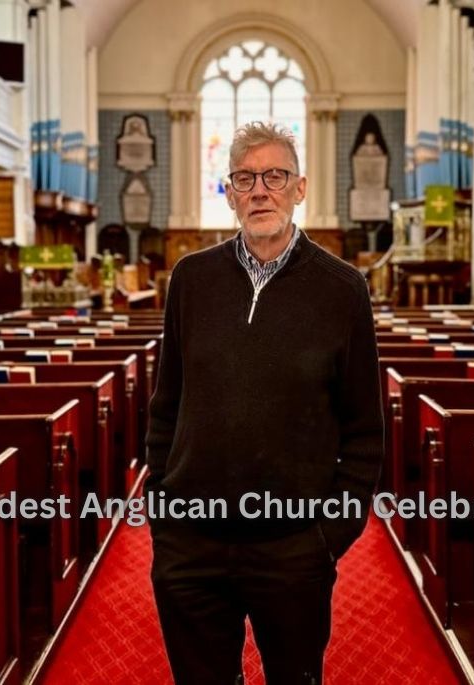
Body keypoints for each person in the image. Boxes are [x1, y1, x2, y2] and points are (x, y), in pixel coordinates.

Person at [146, 121, 384, 684]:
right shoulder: (191, 279)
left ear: (300, 187)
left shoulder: (342, 288)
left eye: (274, 176)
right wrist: (164, 513)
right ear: (229, 192)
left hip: (293, 547)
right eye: (245, 178)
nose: (260, 190)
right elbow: (166, 406)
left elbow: (365, 429)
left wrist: (328, 538)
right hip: (192, 544)